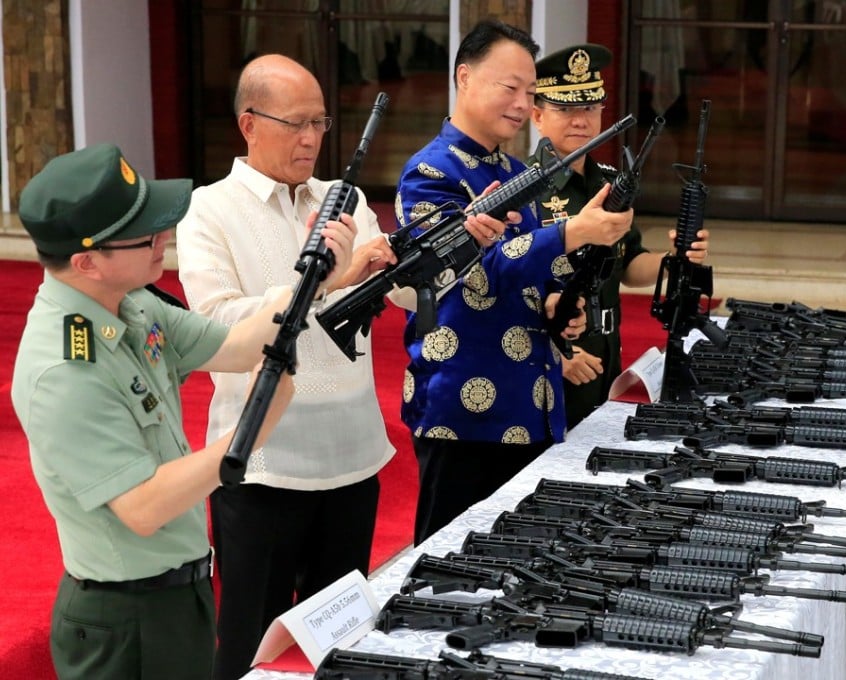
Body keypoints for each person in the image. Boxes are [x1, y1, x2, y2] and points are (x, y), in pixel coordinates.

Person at [10, 142, 355, 679]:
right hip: (125, 616)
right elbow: (142, 508)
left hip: (182, 591)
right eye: (146, 235)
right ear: (86, 261)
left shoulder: (134, 301)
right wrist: (243, 439)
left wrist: (317, 283)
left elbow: (238, 346)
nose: (163, 240)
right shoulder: (64, 370)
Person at [174, 53, 417, 680]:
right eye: (295, 123)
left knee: (337, 643)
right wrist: (321, 281)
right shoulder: (208, 209)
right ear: (249, 124)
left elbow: (402, 295)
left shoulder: (347, 198)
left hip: (352, 454)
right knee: (250, 649)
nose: (311, 138)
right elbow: (217, 326)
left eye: (320, 122)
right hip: (261, 464)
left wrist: (415, 258)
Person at [396, 20, 633, 546]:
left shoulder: (509, 169)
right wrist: (573, 232)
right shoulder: (430, 175)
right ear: (465, 78)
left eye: (530, 92)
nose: (523, 104)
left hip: (530, 402)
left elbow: (521, 277)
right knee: (448, 570)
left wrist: (554, 304)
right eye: (510, 87)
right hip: (463, 413)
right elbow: (474, 274)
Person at [529, 43, 711, 429]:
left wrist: (675, 258)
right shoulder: (524, 187)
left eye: (589, 109)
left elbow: (629, 263)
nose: (580, 121)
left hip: (606, 350)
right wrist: (555, 352)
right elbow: (511, 282)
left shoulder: (612, 182)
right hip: (550, 358)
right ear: (537, 116)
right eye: (565, 109)